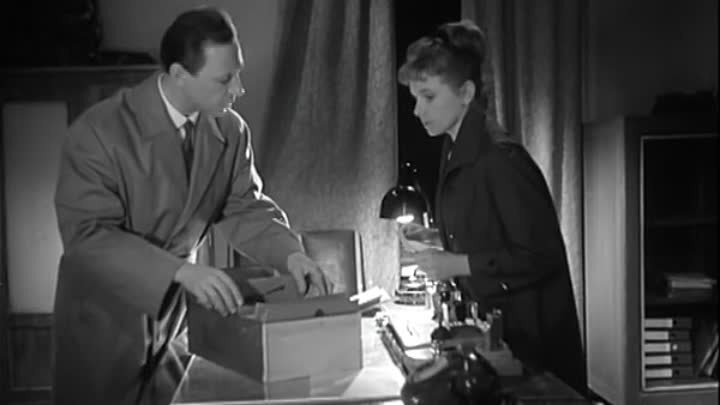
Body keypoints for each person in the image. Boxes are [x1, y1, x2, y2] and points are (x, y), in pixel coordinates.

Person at [53, 7, 330, 404]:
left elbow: (246, 207)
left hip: (172, 321)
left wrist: (291, 255)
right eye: (225, 79)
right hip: (104, 322)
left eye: (238, 73)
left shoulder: (230, 130)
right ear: (179, 74)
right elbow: (87, 236)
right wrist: (180, 271)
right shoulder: (98, 132)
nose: (239, 89)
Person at [397, 20, 586, 394]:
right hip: (503, 335)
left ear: (466, 93)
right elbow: (487, 227)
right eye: (415, 98)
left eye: (428, 97)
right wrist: (435, 236)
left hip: (534, 348)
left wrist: (457, 264)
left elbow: (538, 255)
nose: (417, 110)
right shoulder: (455, 145)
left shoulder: (501, 158)